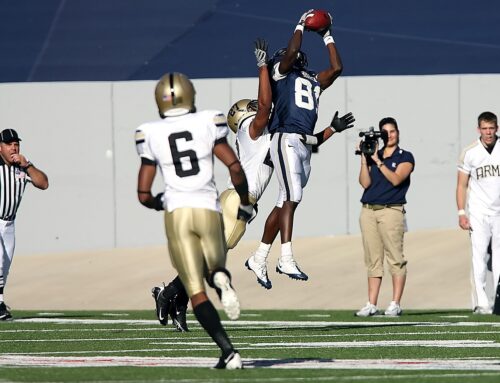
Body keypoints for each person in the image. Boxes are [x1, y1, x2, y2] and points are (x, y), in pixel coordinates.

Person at [135, 72, 252, 369]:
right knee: (213, 268)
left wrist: (157, 202)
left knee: (195, 289)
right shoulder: (207, 122)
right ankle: (221, 279)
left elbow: (143, 192)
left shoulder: (149, 132)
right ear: (190, 95)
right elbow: (235, 168)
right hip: (207, 206)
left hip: (178, 212)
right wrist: (246, 201)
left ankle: (229, 353)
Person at [246, 9, 344, 284]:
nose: (295, 56)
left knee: (284, 203)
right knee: (293, 198)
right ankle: (285, 258)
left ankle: (259, 256)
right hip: (285, 138)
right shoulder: (280, 73)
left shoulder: (312, 79)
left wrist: (327, 36)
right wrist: (300, 25)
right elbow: (290, 54)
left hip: (304, 143)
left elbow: (336, 68)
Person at [355, 117, 414, 317]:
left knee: (395, 259)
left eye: (393, 131)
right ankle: (371, 303)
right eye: (385, 132)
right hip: (369, 210)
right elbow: (364, 183)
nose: (389, 135)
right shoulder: (374, 155)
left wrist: (379, 162)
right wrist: (365, 158)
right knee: (373, 259)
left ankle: (395, 303)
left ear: (398, 132)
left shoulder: (405, 156)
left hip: (392, 210)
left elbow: (396, 179)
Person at [0, 128, 49, 320]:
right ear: (0, 147)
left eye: (16, 144)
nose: (13, 148)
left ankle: (0, 302)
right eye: (9, 144)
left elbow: (43, 183)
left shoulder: (22, 167)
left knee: (4, 267)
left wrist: (27, 165)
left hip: (9, 223)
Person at [456, 111, 500, 315]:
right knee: (479, 257)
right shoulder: (470, 152)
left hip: (499, 212)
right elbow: (461, 185)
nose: (488, 132)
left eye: (491, 128)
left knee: (499, 258)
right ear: (478, 129)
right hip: (479, 212)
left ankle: (498, 302)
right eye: (485, 128)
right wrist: (461, 212)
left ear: (497, 128)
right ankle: (481, 302)